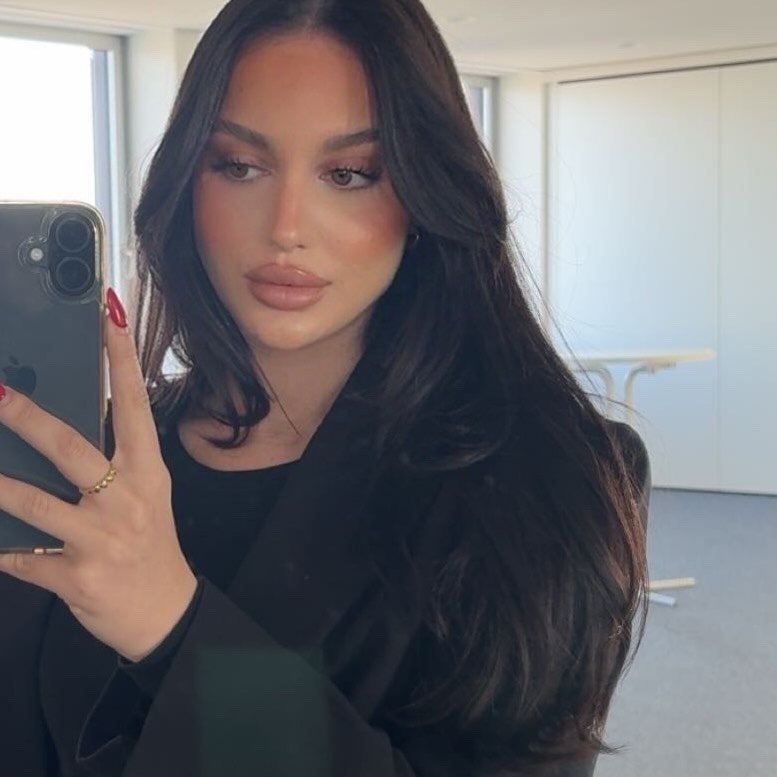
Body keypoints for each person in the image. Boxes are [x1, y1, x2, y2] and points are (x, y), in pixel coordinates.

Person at [0, 0, 650, 775]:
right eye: (240, 165)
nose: (286, 226)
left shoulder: (548, 476)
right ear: (187, 183)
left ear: (423, 193)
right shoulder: (91, 459)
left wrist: (173, 627)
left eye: (349, 174)